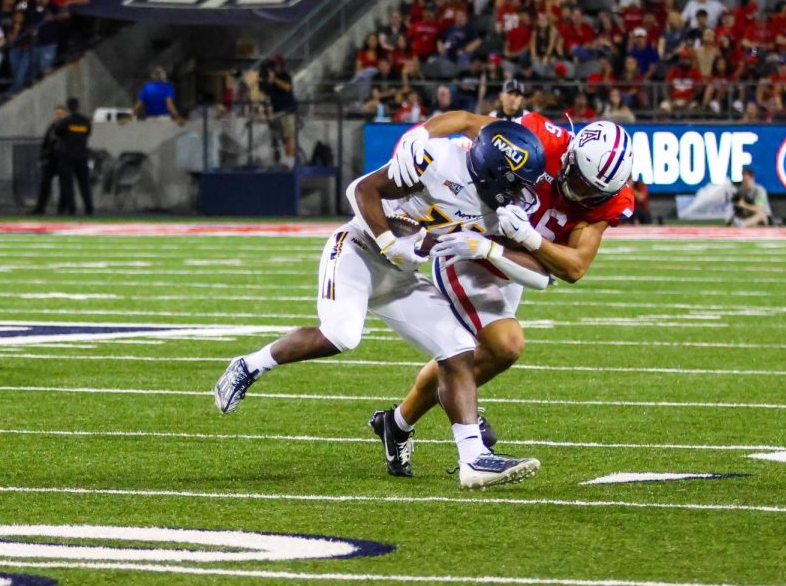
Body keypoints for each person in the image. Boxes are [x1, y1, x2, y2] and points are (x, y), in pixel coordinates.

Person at [215, 121, 550, 489]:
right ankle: (249, 365)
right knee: (342, 335)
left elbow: (542, 277)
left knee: (459, 350)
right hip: (359, 249)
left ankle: (473, 459)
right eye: (516, 181)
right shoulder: (439, 161)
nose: (521, 193)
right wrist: (390, 241)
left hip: (401, 276)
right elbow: (361, 188)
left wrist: (518, 240)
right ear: (492, 171)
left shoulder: (502, 209)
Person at [377, 116, 634, 476]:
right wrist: (417, 136)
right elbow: (468, 122)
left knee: (482, 357)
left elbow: (574, 267)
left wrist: (530, 239)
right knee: (504, 344)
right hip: (466, 246)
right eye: (578, 180)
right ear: (570, 157)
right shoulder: (541, 137)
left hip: (512, 260)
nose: (583, 193)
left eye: (595, 192)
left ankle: (397, 423)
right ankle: (471, 449)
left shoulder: (610, 200)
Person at [55, 97, 93, 216]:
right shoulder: (85, 121)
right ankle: (89, 208)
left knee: (68, 185)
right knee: (85, 184)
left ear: (69, 107)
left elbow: (57, 132)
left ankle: (71, 209)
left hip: (68, 156)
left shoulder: (66, 121)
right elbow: (88, 133)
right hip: (82, 155)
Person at [259, 55, 297, 166]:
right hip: (277, 111)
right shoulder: (271, 80)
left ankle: (290, 160)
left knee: (289, 135)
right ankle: (286, 157)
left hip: (287, 110)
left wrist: (274, 79)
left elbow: (287, 87)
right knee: (283, 137)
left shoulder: (284, 76)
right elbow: (267, 94)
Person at [30, 105, 67, 216]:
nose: (58, 116)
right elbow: (46, 142)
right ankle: (40, 208)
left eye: (60, 114)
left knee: (63, 185)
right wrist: (42, 156)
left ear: (65, 114)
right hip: (51, 158)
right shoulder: (52, 126)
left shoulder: (67, 126)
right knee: (45, 183)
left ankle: (62, 209)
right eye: (57, 114)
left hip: (62, 158)